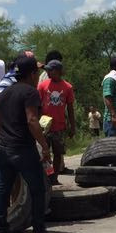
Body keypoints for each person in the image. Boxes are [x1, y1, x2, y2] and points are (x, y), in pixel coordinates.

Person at [0, 52, 56, 233]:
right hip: (23, 149)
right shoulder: (30, 92)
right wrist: (44, 146)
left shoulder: (3, 94)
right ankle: (39, 232)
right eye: (36, 72)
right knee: (38, 189)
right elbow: (32, 120)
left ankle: (3, 232)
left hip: (4, 148)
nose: (38, 76)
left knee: (2, 190)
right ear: (30, 74)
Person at [39, 53, 76, 181]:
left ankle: (54, 178)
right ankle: (46, 176)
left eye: (50, 71)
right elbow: (37, 105)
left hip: (59, 126)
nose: (48, 73)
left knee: (58, 153)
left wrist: (72, 127)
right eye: (47, 70)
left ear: (58, 72)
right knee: (44, 153)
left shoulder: (67, 87)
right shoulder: (42, 85)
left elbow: (70, 108)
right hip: (44, 127)